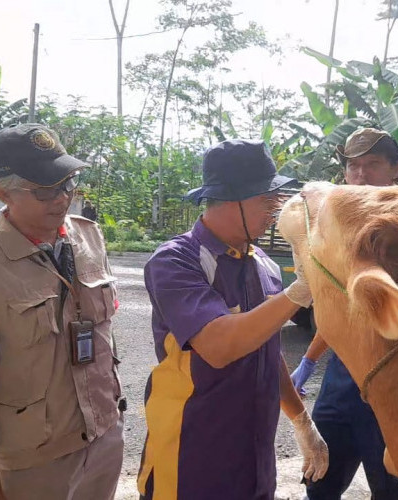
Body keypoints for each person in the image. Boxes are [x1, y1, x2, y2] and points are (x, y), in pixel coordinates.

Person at [0, 124, 124, 500]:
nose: (63, 199)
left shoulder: (89, 237)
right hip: (35, 466)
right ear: (1, 192)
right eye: (45, 190)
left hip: (104, 441)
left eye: (68, 183)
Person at [137, 139, 329, 500]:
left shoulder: (265, 266)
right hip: (190, 454)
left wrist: (302, 421)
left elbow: (268, 353)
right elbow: (220, 346)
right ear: (229, 200)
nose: (276, 210)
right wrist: (301, 290)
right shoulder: (176, 262)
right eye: (266, 199)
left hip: (253, 456)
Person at [291, 128, 398, 500]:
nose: (360, 176)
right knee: (319, 482)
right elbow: (338, 309)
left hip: (396, 380)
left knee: (392, 490)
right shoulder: (335, 227)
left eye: (372, 165)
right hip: (341, 381)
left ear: (396, 169)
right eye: (353, 167)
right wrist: (308, 362)